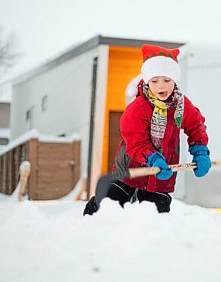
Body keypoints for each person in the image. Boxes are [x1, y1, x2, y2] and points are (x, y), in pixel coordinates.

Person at [84, 44, 210, 215]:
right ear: (147, 81)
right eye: (155, 80)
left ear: (175, 80)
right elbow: (136, 142)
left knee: (155, 219)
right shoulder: (138, 108)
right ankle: (91, 218)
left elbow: (196, 126)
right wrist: (153, 159)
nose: (161, 86)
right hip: (130, 171)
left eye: (167, 80)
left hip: (162, 177)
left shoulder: (181, 104)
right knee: (110, 208)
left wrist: (200, 151)